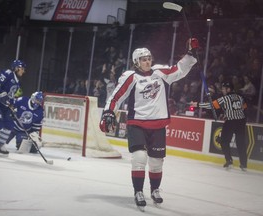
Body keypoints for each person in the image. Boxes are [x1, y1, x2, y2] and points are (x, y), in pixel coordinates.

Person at [99, 38, 199, 209]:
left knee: (156, 162)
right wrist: (108, 112)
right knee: (139, 158)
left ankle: (155, 190)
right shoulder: (130, 77)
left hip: (158, 124)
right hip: (137, 123)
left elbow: (179, 70)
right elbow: (116, 96)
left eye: (149, 58)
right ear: (136, 62)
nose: (147, 61)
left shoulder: (159, 72)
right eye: (143, 59)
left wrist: (191, 53)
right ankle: (138, 191)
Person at [191, 82, 248, 171]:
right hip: (241, 121)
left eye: (224, 88)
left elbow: (212, 105)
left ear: (228, 89)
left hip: (231, 121)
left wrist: (198, 104)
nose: (222, 90)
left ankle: (229, 161)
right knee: (241, 143)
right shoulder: (240, 97)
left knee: (224, 141)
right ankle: (243, 164)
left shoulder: (225, 98)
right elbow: (244, 107)